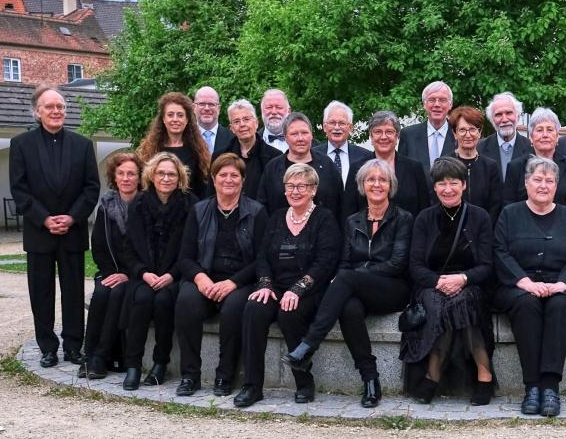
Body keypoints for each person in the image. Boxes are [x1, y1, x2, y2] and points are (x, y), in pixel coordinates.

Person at [283, 160, 413, 409]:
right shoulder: (353, 220)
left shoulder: (403, 218)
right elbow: (344, 262)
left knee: (346, 278)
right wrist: (353, 278)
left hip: (392, 289)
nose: (376, 184)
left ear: (390, 185)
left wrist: (357, 276)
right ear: (362, 185)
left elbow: (397, 264)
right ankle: (371, 380)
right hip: (356, 288)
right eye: (370, 179)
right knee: (349, 308)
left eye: (382, 180)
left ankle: (309, 344)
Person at [234, 164, 341, 407]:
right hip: (275, 286)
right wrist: (264, 284)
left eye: (302, 186)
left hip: (310, 290)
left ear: (313, 190)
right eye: (290, 186)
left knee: (289, 312)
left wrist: (298, 289)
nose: (295, 191)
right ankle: (252, 387)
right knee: (253, 308)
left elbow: (326, 262)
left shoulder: (324, 219)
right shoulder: (276, 217)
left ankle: (304, 382)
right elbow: (262, 256)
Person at [9, 86, 100, 368]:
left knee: (73, 291)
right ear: (38, 111)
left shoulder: (82, 144)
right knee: (41, 291)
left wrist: (72, 217)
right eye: (50, 107)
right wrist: (44, 218)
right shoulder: (21, 144)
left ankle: (74, 346)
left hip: (72, 231)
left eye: (60, 106)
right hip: (39, 232)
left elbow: (91, 188)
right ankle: (47, 346)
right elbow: (19, 190)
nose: (57, 111)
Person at [494, 157, 566, 417]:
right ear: (526, 183)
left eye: (549, 181)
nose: (543, 185)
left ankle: (550, 387)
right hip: (519, 285)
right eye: (537, 179)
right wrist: (524, 282)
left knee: (561, 305)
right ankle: (532, 387)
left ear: (556, 186)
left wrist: (562, 283)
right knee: (526, 304)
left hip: (561, 284)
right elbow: (500, 251)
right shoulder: (509, 213)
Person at [401, 157, 495, 406]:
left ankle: (481, 375)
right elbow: (415, 265)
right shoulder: (424, 218)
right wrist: (437, 281)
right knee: (441, 304)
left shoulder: (480, 217)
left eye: (454, 182)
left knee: (463, 301)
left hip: (469, 282)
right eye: (441, 184)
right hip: (432, 284)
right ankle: (434, 374)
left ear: (464, 185)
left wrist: (463, 278)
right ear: (434, 188)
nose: (448, 189)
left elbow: (486, 265)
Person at [173, 153, 269, 397]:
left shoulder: (257, 212)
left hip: (241, 280)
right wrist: (200, 278)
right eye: (223, 175)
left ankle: (225, 376)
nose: (229, 180)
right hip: (205, 277)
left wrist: (233, 282)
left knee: (234, 308)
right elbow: (184, 257)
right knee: (186, 301)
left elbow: (262, 259)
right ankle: (190, 375)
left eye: (234, 175)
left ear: (243, 180)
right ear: (213, 179)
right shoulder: (199, 210)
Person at [121, 152, 197, 390]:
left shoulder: (190, 205)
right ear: (152, 176)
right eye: (161, 173)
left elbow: (192, 248)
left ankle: (160, 364)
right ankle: (132, 365)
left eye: (172, 174)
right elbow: (127, 249)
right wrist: (143, 273)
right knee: (142, 298)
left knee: (164, 300)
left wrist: (171, 275)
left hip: (175, 274)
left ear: (180, 177)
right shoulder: (138, 204)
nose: (166, 178)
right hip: (144, 274)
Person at [80, 152, 142, 379]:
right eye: (121, 173)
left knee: (116, 294)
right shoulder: (105, 206)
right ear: (114, 177)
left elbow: (147, 249)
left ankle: (100, 357)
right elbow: (98, 245)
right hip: (110, 271)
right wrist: (112, 272)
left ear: (139, 177)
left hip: (136, 274)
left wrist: (127, 274)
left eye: (131, 174)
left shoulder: (145, 206)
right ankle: (88, 355)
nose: (126, 178)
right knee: (101, 292)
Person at [257, 112, 343, 230]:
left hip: (324, 236)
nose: (300, 138)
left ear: (311, 135)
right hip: (281, 237)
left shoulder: (327, 165)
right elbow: (263, 206)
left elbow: (340, 205)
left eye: (304, 133)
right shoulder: (272, 168)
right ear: (286, 138)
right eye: (294, 134)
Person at [503, 108, 566, 219]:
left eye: (550, 130)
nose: (545, 135)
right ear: (531, 136)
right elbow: (508, 209)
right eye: (539, 130)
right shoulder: (515, 167)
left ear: (557, 136)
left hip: (564, 230)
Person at [345, 111, 431, 218]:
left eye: (389, 132)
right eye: (378, 132)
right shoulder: (357, 168)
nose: (383, 137)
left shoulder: (414, 168)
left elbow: (424, 212)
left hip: (408, 233)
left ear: (397, 136)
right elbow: (348, 213)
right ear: (371, 137)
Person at [136, 92, 211, 197]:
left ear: (187, 120)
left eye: (180, 115)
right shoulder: (150, 150)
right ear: (163, 119)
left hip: (189, 211)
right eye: (170, 115)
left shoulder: (197, 151)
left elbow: (202, 190)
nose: (175, 119)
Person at [213, 99, 280, 199]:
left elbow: (276, 194)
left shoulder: (275, 157)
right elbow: (212, 194)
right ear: (232, 128)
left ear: (256, 123)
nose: (242, 124)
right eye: (236, 121)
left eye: (246, 119)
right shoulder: (219, 157)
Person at [447, 106, 502, 223]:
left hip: (483, 231)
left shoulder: (491, 166)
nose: (468, 135)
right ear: (455, 133)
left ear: (479, 132)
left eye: (472, 129)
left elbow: (495, 205)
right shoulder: (445, 163)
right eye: (462, 130)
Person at [398, 81, 457, 173]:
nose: (437, 105)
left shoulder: (459, 135)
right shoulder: (408, 135)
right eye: (432, 100)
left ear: (450, 105)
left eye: (442, 100)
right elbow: (402, 171)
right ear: (424, 105)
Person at [312, 101, 371, 191]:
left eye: (342, 123)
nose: (337, 127)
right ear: (324, 127)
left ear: (350, 127)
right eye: (332, 123)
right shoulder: (312, 155)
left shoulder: (366, 157)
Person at [478, 92, 532, 181]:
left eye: (509, 113)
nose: (504, 119)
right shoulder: (480, 149)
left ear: (517, 116)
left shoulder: (530, 148)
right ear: (492, 120)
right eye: (498, 114)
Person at [193, 86, 234, 155]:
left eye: (211, 104)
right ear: (194, 108)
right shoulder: (185, 137)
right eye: (202, 104)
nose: (206, 108)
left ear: (218, 109)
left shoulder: (232, 138)